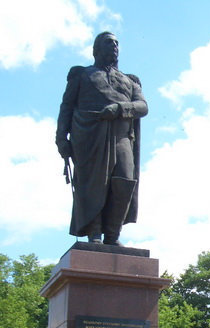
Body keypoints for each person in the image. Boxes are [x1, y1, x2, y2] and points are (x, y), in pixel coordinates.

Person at [56, 32, 148, 245]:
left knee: (125, 180)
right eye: (108, 42)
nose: (114, 46)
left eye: (116, 43)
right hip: (89, 135)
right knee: (94, 183)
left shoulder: (130, 81)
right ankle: (95, 232)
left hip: (120, 136)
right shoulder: (82, 75)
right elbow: (67, 106)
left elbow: (142, 107)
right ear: (96, 49)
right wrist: (61, 137)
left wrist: (119, 108)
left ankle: (113, 234)